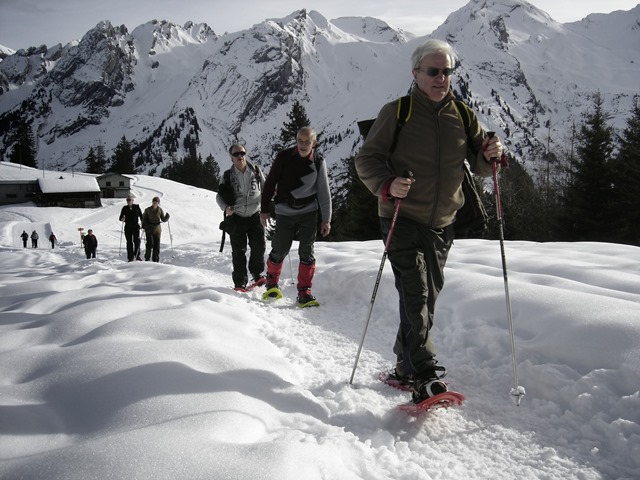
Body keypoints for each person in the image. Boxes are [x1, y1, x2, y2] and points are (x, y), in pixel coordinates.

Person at [355, 39, 504, 404]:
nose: (441, 78)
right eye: (433, 71)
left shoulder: (464, 116)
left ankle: (405, 365)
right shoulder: (398, 112)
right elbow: (366, 160)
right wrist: (388, 184)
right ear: (416, 74)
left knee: (425, 299)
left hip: (443, 224)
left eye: (447, 71)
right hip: (400, 218)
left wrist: (493, 155)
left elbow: (484, 166)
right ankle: (426, 374)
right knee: (417, 293)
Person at [259, 126, 332, 306]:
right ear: (296, 140)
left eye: (307, 141)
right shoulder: (284, 157)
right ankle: (272, 285)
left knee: (307, 251)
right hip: (284, 210)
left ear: (314, 143)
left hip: (308, 212)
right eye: (300, 140)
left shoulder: (318, 161)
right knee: (280, 248)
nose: (303, 144)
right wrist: (264, 210)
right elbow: (269, 183)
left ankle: (304, 292)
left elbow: (324, 192)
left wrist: (326, 219)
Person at [216, 144, 267, 290]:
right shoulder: (227, 176)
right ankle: (240, 281)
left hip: (255, 215)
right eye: (236, 154)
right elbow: (219, 196)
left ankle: (257, 274)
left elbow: (265, 188)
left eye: (242, 153)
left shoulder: (256, 171)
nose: (240, 156)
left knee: (259, 246)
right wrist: (225, 208)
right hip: (237, 217)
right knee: (239, 250)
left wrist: (269, 205)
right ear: (231, 158)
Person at [142, 196, 170, 262]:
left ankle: (155, 260)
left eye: (156, 202)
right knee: (150, 244)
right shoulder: (148, 210)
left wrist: (166, 218)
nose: (154, 203)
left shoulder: (160, 210)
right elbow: (144, 218)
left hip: (157, 229)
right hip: (149, 229)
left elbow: (163, 219)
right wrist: (144, 225)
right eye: (154, 202)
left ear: (158, 203)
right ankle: (147, 258)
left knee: (157, 245)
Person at [119, 195, 144, 261]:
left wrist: (143, 224)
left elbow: (141, 216)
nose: (128, 201)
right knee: (129, 242)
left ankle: (137, 255)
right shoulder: (124, 208)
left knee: (136, 241)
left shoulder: (136, 207)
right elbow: (120, 217)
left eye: (130, 200)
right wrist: (122, 219)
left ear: (133, 201)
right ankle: (130, 257)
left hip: (135, 227)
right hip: (128, 227)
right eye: (127, 200)